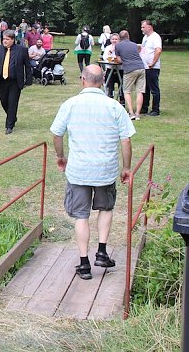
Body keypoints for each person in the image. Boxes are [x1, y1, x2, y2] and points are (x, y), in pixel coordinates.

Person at [50, 64, 135, 281]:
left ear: (82, 80)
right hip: (105, 169)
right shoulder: (114, 106)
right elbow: (125, 140)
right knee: (106, 208)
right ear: (103, 79)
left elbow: (57, 134)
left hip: (79, 170)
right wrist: (126, 168)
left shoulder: (70, 104)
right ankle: (102, 251)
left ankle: (84, 263)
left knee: (81, 215)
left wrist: (60, 156)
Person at [0, 30, 33, 134]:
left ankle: (9, 126)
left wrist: (28, 80)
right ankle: (12, 117)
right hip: (2, 81)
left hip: (15, 81)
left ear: (13, 40)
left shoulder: (22, 50)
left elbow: (27, 66)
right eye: (3, 39)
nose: (4, 41)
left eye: (7, 39)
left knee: (12, 103)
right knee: (3, 101)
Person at [114, 30, 145, 120]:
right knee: (140, 91)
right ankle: (138, 114)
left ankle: (131, 113)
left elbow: (119, 60)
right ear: (128, 36)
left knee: (127, 91)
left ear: (119, 38)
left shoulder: (118, 46)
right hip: (141, 67)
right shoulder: (134, 45)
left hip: (129, 69)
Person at [139, 19, 162, 117]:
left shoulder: (155, 37)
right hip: (145, 66)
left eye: (143, 27)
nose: (142, 29)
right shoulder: (145, 37)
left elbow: (158, 50)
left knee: (154, 88)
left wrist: (153, 62)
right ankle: (144, 107)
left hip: (152, 67)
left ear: (149, 27)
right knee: (145, 88)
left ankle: (155, 110)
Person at [101, 32, 123, 102]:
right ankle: (110, 99)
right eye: (113, 39)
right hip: (110, 69)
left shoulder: (122, 47)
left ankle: (122, 101)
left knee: (121, 86)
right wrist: (111, 51)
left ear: (119, 40)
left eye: (116, 39)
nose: (114, 40)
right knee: (110, 86)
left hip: (120, 69)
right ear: (110, 40)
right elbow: (105, 57)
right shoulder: (108, 47)